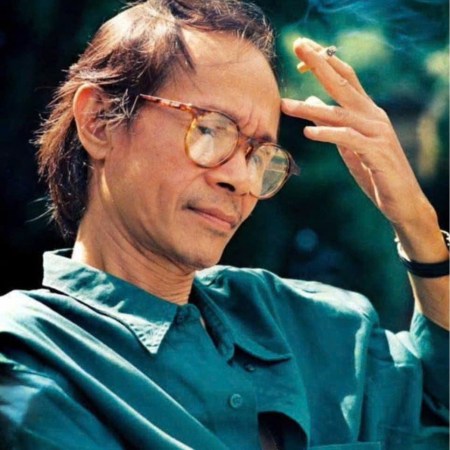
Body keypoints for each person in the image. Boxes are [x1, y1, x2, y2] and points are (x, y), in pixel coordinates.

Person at [0, 0, 448, 449]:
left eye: (259, 154)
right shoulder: (31, 355)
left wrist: (415, 219)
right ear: (100, 121)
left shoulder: (301, 323)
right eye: (209, 129)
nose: (239, 179)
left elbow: (436, 407)